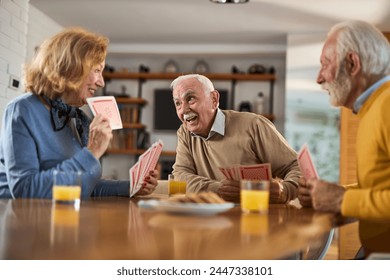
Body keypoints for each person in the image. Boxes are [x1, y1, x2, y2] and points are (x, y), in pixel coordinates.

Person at [0, 27, 158, 199]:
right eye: (97, 70)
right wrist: (91, 152)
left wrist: (133, 187)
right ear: (71, 68)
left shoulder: (75, 119)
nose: (101, 82)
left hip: (64, 218)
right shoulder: (22, 110)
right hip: (26, 221)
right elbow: (25, 190)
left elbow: (85, 186)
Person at [297, 20, 390, 257]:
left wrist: (342, 199)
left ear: (352, 63)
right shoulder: (373, 107)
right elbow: (380, 189)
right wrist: (330, 195)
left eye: (325, 64)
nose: (319, 78)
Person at [170, 74, 301, 203]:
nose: (184, 110)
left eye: (191, 98)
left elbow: (296, 166)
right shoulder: (184, 132)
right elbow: (181, 175)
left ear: (214, 99)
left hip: (257, 216)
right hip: (208, 219)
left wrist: (285, 191)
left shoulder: (254, 125)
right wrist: (219, 189)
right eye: (178, 103)